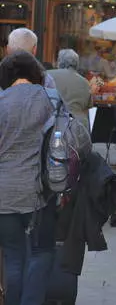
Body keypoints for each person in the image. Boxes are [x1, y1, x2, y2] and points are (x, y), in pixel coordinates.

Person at [0, 51, 59, 305]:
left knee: (13, 256)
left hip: (4, 192)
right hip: (40, 191)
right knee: (41, 252)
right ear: (35, 73)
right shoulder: (50, 99)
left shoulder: (1, 101)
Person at [47, 49, 93, 131]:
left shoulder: (48, 75)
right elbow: (86, 108)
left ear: (59, 61)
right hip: (78, 127)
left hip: (53, 125)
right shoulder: (85, 82)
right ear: (77, 64)